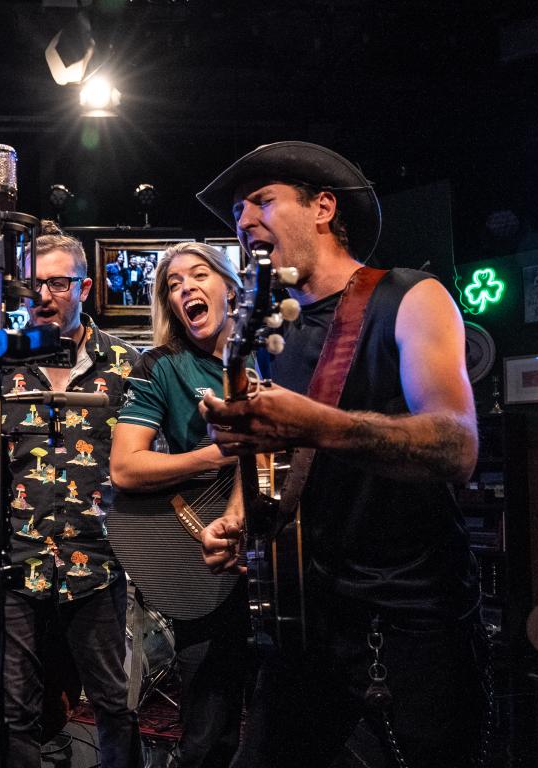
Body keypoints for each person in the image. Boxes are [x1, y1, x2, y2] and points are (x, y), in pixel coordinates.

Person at [195, 141, 486, 767]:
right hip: (306, 623)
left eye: (262, 201)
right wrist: (241, 512)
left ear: (323, 207)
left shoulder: (410, 297)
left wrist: (319, 425)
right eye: (237, 210)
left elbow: (457, 445)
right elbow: (275, 456)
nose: (243, 221)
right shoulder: (271, 330)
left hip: (408, 620)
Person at [0, 221, 142, 767]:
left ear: (85, 289)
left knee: (114, 702)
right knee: (15, 709)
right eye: (34, 284)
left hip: (100, 562)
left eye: (59, 284)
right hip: (18, 563)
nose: (43, 296)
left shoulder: (127, 366)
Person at [108, 241, 250, 768]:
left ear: (232, 289)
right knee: (209, 726)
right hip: (208, 557)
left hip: (293, 550)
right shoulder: (161, 366)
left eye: (198, 275)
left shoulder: (282, 350)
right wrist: (217, 452)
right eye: (173, 284)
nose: (185, 288)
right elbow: (125, 467)